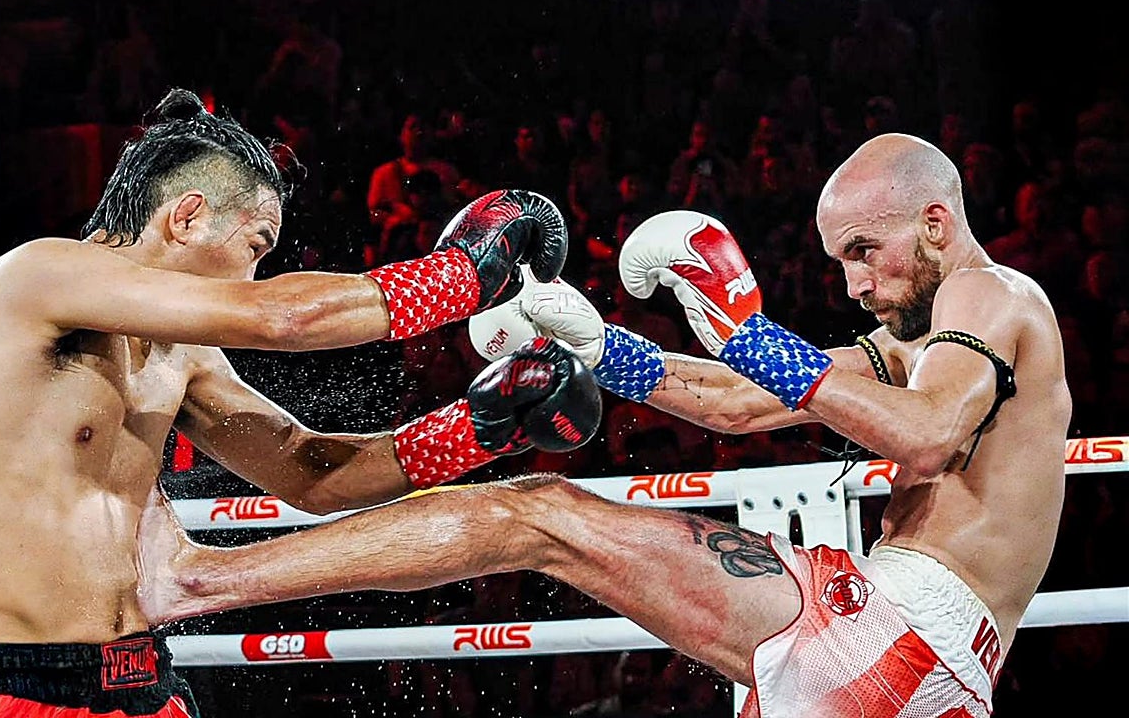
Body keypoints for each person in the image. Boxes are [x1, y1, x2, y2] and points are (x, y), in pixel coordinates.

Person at [135, 133, 1070, 717]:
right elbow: (739, 403)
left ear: (936, 223)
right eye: (842, 262)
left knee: (536, 514)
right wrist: (598, 344)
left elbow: (926, 437)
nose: (856, 283)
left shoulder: (995, 294)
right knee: (537, 517)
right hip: (901, 662)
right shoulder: (923, 342)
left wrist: (752, 334)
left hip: (911, 634)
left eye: (865, 251)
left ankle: (202, 577)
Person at [0, 87, 601, 718]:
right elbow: (281, 317)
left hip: (149, 683)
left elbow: (311, 473)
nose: (255, 276)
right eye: (255, 246)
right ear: (186, 217)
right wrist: (460, 276)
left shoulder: (181, 354)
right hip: (23, 689)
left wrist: (479, 429)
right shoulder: (35, 277)